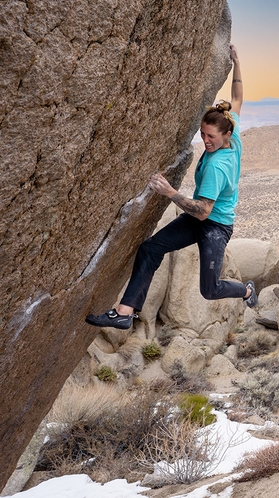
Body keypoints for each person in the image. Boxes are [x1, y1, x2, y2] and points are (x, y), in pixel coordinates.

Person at [85, 45, 257, 330]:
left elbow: (203, 211)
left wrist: (169, 192)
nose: (205, 140)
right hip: (199, 219)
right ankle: (125, 312)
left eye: (210, 136)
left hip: (215, 227)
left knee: (210, 289)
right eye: (202, 133)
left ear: (225, 135)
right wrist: (237, 63)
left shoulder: (218, 166)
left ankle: (247, 291)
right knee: (151, 248)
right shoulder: (232, 130)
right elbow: (237, 98)